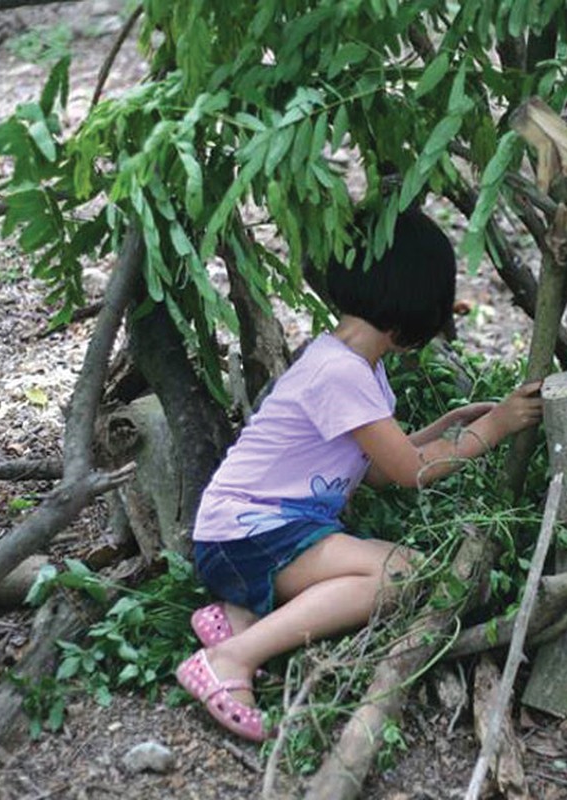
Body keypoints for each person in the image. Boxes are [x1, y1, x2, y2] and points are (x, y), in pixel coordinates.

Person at [176, 207, 543, 742]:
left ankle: (238, 613)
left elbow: (372, 470)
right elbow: (411, 472)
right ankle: (231, 656)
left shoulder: (350, 363)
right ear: (415, 308)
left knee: (380, 563)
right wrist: (498, 426)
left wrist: (441, 428)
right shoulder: (342, 374)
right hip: (251, 533)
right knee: (402, 572)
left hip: (247, 534)